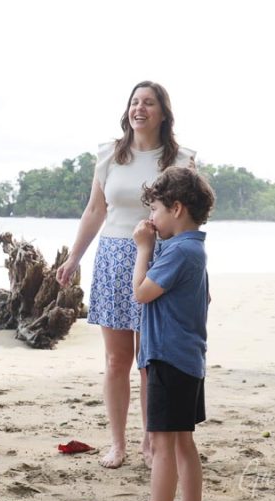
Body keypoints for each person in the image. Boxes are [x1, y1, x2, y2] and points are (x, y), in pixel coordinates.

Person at [56, 80, 196, 468]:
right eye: (135, 102)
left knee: (151, 359)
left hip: (162, 257)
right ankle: (117, 443)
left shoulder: (180, 159)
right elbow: (94, 212)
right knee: (117, 360)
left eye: (149, 103)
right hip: (115, 257)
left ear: (163, 113)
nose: (140, 108)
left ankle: (151, 444)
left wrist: (198, 276)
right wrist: (73, 258)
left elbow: (191, 220)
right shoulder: (108, 155)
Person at [130, 166, 215, 501]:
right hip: (188, 359)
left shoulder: (177, 253)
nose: (151, 217)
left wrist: (143, 249)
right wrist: (155, 242)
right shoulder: (192, 249)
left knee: (163, 444)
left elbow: (141, 292)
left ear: (176, 208)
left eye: (155, 210)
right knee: (182, 441)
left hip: (168, 357)